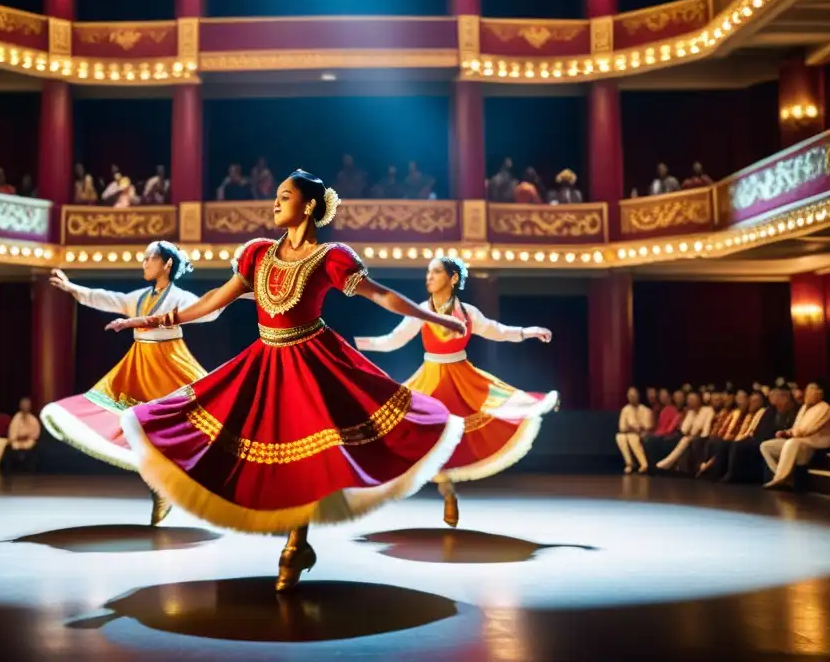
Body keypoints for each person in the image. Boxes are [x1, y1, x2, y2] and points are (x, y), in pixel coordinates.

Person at [112, 170, 466, 592]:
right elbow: (214, 301)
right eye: (276, 196)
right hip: (264, 360)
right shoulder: (258, 254)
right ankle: (296, 542)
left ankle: (297, 541)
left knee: (308, 449)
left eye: (284, 196)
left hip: (314, 360)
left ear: (310, 206)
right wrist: (154, 318)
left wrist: (435, 316)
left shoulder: (331, 256)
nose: (275, 203)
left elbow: (381, 294)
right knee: (249, 441)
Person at [40, 241, 237, 525]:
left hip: (170, 364)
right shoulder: (140, 297)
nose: (143, 264)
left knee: (194, 422)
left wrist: (232, 293)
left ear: (166, 264)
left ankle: (189, 484)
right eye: (143, 259)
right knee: (135, 429)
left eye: (149, 259)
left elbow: (207, 310)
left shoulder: (179, 297)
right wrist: (73, 289)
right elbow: (109, 298)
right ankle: (161, 489)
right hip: (139, 366)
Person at [355, 256, 556, 526]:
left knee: (459, 438)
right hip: (430, 379)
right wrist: (353, 343)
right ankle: (445, 491)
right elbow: (393, 341)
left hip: (463, 380)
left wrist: (527, 331)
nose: (429, 277)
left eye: (436, 272)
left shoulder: (469, 313)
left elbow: (497, 331)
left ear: (452, 279)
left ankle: (449, 492)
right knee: (412, 432)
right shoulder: (420, 311)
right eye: (428, 272)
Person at [760, 381, 830, 489]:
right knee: (766, 446)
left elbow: (808, 429)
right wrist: (785, 432)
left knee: (792, 443)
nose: (807, 393)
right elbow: (797, 427)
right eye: (807, 390)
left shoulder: (825, 408)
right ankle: (782, 476)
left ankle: (779, 478)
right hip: (800, 441)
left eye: (811, 390)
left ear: (819, 393)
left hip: (817, 443)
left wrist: (790, 433)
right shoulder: (804, 407)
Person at [655, 391, 714, 472]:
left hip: (703, 438)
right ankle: (670, 464)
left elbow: (706, 430)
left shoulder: (708, 410)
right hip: (690, 437)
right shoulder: (690, 412)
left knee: (685, 440)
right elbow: (684, 430)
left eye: (693, 399)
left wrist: (694, 435)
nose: (690, 401)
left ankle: (667, 462)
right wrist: (692, 417)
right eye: (689, 399)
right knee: (681, 439)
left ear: (699, 400)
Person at [613, 387, 652, 474]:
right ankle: (629, 464)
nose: (632, 397)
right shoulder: (625, 410)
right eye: (630, 395)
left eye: (634, 395)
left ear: (638, 396)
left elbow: (647, 426)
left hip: (641, 433)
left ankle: (644, 464)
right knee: (620, 437)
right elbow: (622, 428)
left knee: (632, 437)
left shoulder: (645, 410)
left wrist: (635, 428)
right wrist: (632, 428)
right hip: (629, 433)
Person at [6, 397, 40, 473]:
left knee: (31, 444)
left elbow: (35, 435)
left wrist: (26, 436)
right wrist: (19, 438)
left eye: (27, 405)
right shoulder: (16, 418)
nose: (25, 407)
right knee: (12, 446)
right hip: (17, 441)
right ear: (20, 406)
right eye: (24, 405)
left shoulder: (33, 419)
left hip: (28, 441)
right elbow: (12, 434)